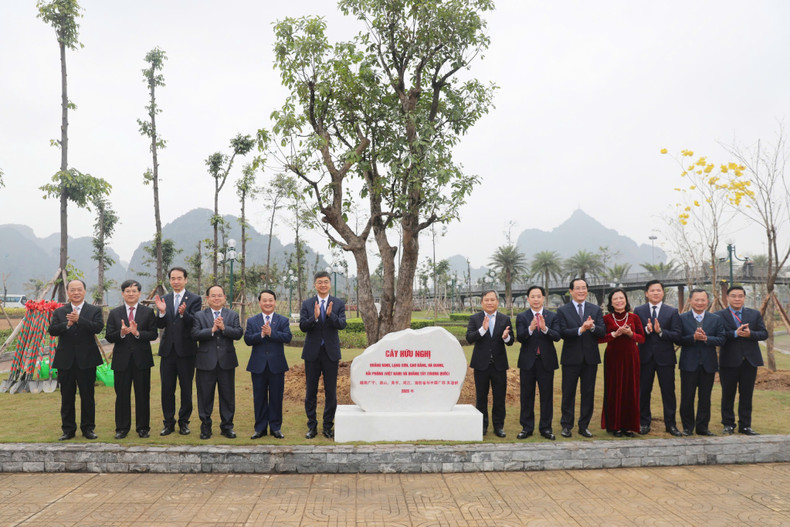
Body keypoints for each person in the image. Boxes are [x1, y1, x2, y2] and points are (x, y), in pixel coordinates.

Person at [48, 279, 104, 440]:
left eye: (79, 289)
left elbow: (98, 328)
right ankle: (68, 430)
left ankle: (88, 429)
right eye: (73, 290)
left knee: (87, 395)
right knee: (67, 396)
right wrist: (68, 324)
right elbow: (52, 330)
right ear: (68, 292)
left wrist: (80, 320)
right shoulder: (60, 311)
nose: (76, 292)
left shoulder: (94, 310)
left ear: (85, 291)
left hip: (87, 360)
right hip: (65, 360)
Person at [105, 280, 157, 439]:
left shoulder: (147, 313)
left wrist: (137, 333)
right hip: (122, 361)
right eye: (128, 291)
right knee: (122, 396)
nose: (131, 293)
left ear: (139, 293)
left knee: (142, 395)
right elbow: (108, 336)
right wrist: (121, 333)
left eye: (134, 291)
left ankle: (143, 428)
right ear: (122, 293)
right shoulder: (115, 313)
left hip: (142, 360)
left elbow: (154, 334)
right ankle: (121, 428)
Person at [154, 267, 202, 436]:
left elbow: (195, 322)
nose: (176, 281)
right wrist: (161, 311)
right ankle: (168, 423)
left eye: (179, 278)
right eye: (173, 278)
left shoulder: (195, 299)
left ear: (186, 280)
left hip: (187, 352)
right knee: (167, 389)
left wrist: (184, 314)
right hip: (167, 351)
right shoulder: (165, 299)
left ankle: (184, 422)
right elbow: (160, 325)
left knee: (186, 388)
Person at [714, 285, 768, 436]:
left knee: (746, 395)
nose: (737, 299)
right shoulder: (719, 315)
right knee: (728, 394)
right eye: (733, 296)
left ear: (744, 298)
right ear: (727, 298)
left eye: (740, 296)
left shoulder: (754, 314)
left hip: (749, 361)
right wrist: (735, 334)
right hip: (729, 361)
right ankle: (728, 424)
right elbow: (719, 335)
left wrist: (751, 334)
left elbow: (764, 334)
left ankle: (745, 425)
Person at [556, 278, 606, 438]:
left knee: (588, 393)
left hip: (590, 359)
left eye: (584, 288)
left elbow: (602, 332)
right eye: (577, 288)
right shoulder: (563, 310)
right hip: (571, 359)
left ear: (587, 290)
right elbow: (563, 332)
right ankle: (566, 425)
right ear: (571, 291)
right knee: (568, 393)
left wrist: (591, 328)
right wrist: (580, 329)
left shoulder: (595, 309)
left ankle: (584, 426)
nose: (581, 291)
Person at [191, 285, 243, 439]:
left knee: (227, 396)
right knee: (205, 396)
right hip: (205, 362)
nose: (216, 298)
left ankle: (227, 427)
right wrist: (212, 329)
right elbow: (194, 334)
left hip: (226, 362)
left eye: (219, 295)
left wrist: (224, 328)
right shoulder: (199, 316)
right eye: (213, 296)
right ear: (207, 299)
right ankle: (205, 427)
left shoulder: (232, 315)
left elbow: (239, 333)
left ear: (224, 297)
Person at [300, 271, 347, 439]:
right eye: (319, 282)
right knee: (310, 392)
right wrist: (315, 317)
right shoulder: (307, 303)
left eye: (326, 282)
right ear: (315, 284)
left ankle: (328, 426)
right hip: (312, 353)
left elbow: (342, 324)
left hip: (330, 353)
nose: (323, 285)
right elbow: (303, 327)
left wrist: (329, 315)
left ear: (330, 284)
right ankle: (312, 426)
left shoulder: (338, 303)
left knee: (330, 392)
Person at [633, 280, 683, 436]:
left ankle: (671, 424)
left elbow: (678, 336)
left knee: (668, 392)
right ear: (647, 293)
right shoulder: (639, 311)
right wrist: (647, 331)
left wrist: (661, 331)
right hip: (644, 357)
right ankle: (643, 423)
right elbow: (635, 334)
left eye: (658, 290)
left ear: (663, 293)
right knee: (643, 391)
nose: (655, 293)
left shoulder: (672, 311)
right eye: (652, 290)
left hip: (665, 359)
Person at [244, 289, 293, 439]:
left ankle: (275, 427)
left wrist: (272, 333)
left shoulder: (282, 320)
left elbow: (287, 337)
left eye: (270, 300)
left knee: (276, 398)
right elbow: (247, 339)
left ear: (275, 302)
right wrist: (261, 334)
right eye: (264, 300)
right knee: (259, 397)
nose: (267, 303)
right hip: (258, 365)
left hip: (276, 365)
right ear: (259, 302)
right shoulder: (253, 321)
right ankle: (260, 428)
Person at [515, 285, 561, 440]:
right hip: (528, 362)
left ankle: (546, 428)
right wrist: (530, 328)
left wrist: (544, 328)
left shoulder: (552, 316)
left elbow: (557, 336)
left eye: (538, 296)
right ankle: (526, 428)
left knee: (546, 396)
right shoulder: (522, 317)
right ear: (528, 299)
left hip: (546, 362)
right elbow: (520, 337)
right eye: (532, 296)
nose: (536, 299)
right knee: (526, 396)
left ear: (543, 298)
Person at [678, 289, 725, 436]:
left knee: (705, 398)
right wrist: (692, 337)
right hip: (688, 364)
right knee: (687, 398)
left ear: (707, 301)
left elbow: (722, 339)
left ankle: (702, 427)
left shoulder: (715, 319)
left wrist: (706, 339)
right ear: (690, 301)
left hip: (708, 365)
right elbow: (677, 339)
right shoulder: (682, 318)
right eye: (697, 300)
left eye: (703, 300)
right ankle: (687, 427)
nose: (700, 303)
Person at [467, 290, 513, 438]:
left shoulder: (504, 319)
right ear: (482, 302)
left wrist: (506, 337)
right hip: (481, 365)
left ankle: (499, 426)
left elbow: (511, 341)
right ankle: (482, 426)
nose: (490, 302)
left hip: (499, 365)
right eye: (486, 300)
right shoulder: (475, 318)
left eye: (492, 300)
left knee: (499, 398)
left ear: (497, 302)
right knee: (481, 398)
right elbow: (469, 338)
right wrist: (482, 329)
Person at [599, 288, 644, 437]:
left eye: (621, 298)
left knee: (630, 389)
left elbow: (642, 338)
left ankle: (629, 425)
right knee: (614, 389)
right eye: (615, 299)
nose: (619, 301)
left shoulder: (634, 317)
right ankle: (614, 425)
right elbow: (599, 339)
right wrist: (614, 334)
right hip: (613, 358)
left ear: (626, 300)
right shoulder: (606, 319)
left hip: (631, 357)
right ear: (611, 302)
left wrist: (630, 334)